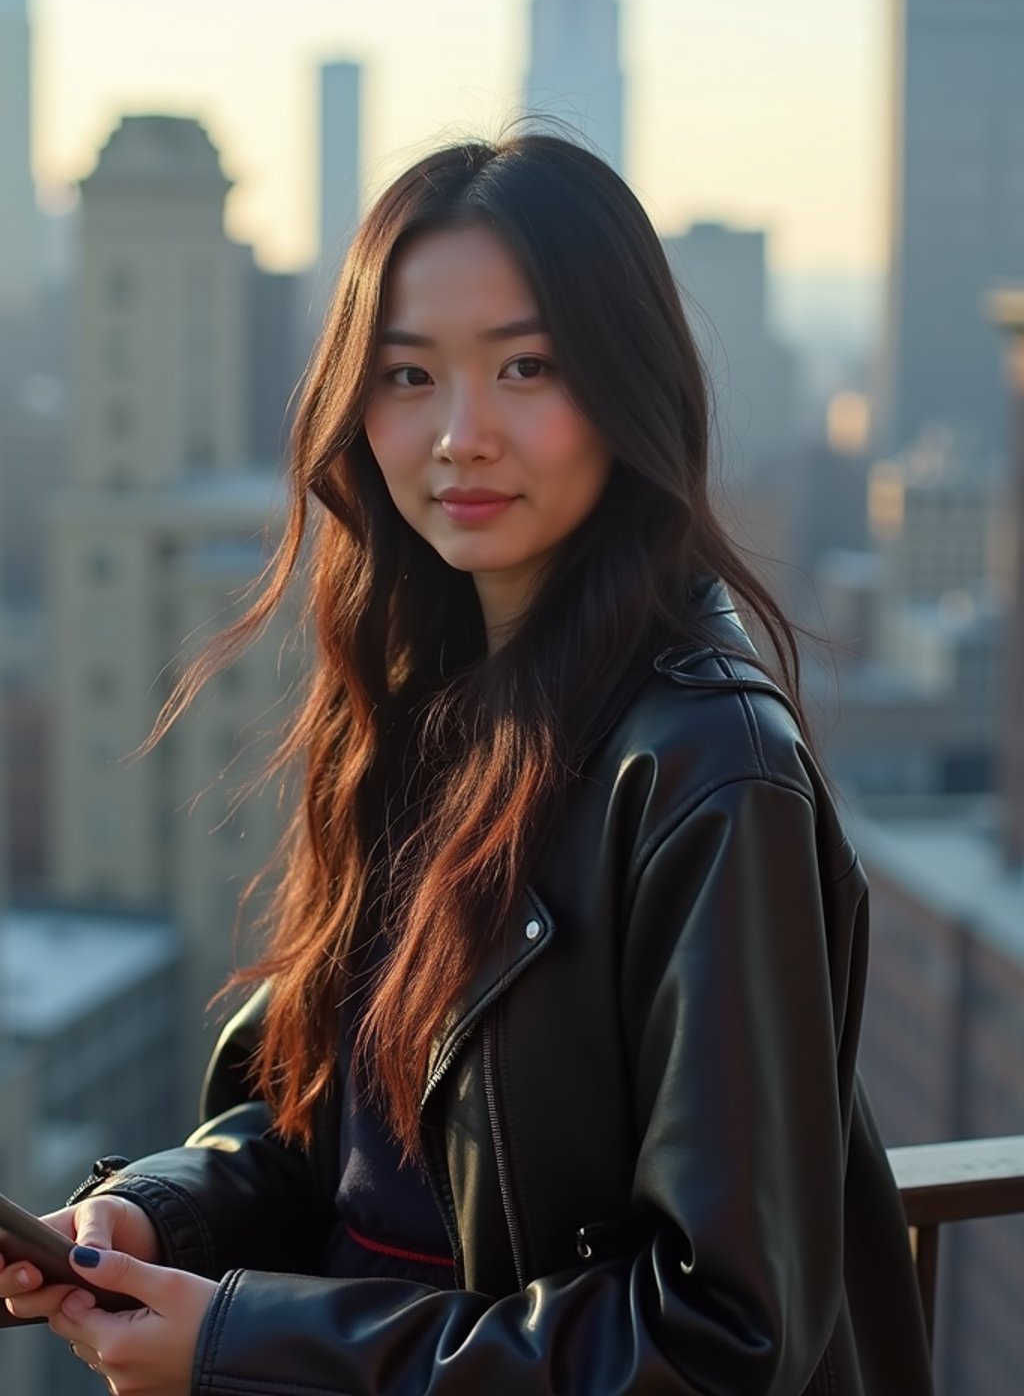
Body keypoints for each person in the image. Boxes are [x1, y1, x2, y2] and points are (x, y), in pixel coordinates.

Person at [1, 132, 935, 1395]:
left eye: (527, 366)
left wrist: (240, 1347)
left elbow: (721, 1341)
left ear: (626, 385)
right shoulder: (421, 707)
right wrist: (159, 1218)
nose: (459, 434)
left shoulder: (711, 777)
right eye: (407, 374)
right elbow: (329, 1128)